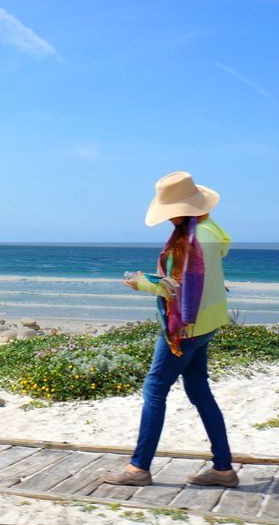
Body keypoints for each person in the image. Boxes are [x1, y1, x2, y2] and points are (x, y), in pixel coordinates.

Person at [101, 170, 238, 488]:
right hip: (208, 323)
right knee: (199, 390)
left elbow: (177, 289)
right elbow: (195, 281)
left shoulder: (192, 241)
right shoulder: (210, 230)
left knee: (154, 390)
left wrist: (142, 284)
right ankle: (223, 468)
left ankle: (138, 468)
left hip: (186, 329)